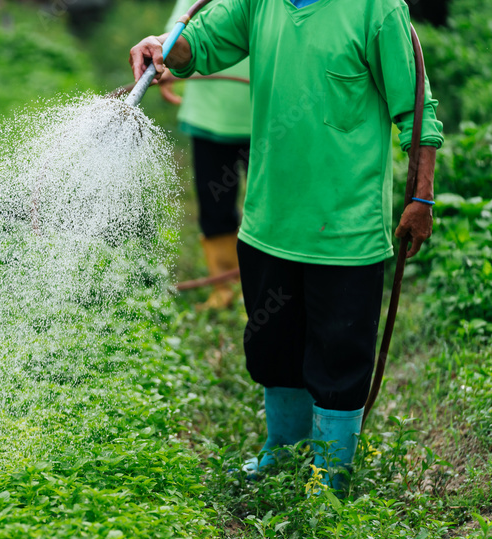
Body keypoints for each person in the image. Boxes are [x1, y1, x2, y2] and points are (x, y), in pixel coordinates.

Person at [130, 0, 442, 494]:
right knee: (274, 345)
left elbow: (417, 110)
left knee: (340, 355)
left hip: (346, 230)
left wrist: (421, 197)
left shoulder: (377, 11)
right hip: (269, 223)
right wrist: (163, 48)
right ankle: (283, 452)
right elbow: (203, 44)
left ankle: (330, 473)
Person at [159, 0, 251, 310]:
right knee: (215, 207)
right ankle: (222, 288)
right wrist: (167, 67)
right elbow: (174, 38)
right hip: (208, 119)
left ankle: (263, 287)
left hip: (264, 121)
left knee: (269, 207)